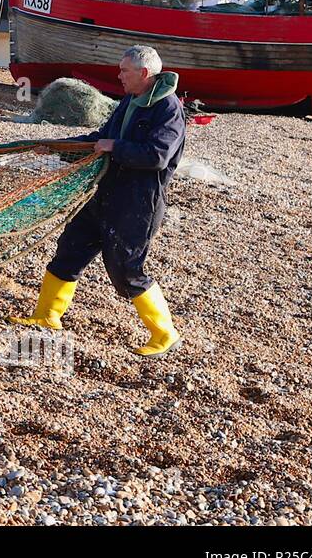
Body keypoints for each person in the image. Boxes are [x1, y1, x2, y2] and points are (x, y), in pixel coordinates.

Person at [10, 45, 185, 357]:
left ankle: (164, 332)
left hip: (137, 204)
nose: (118, 76)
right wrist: (54, 146)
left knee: (126, 269)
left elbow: (157, 156)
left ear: (144, 74)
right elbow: (98, 141)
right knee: (70, 250)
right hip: (102, 193)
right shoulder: (130, 101)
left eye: (124, 71)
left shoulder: (167, 109)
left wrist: (115, 146)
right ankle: (47, 316)